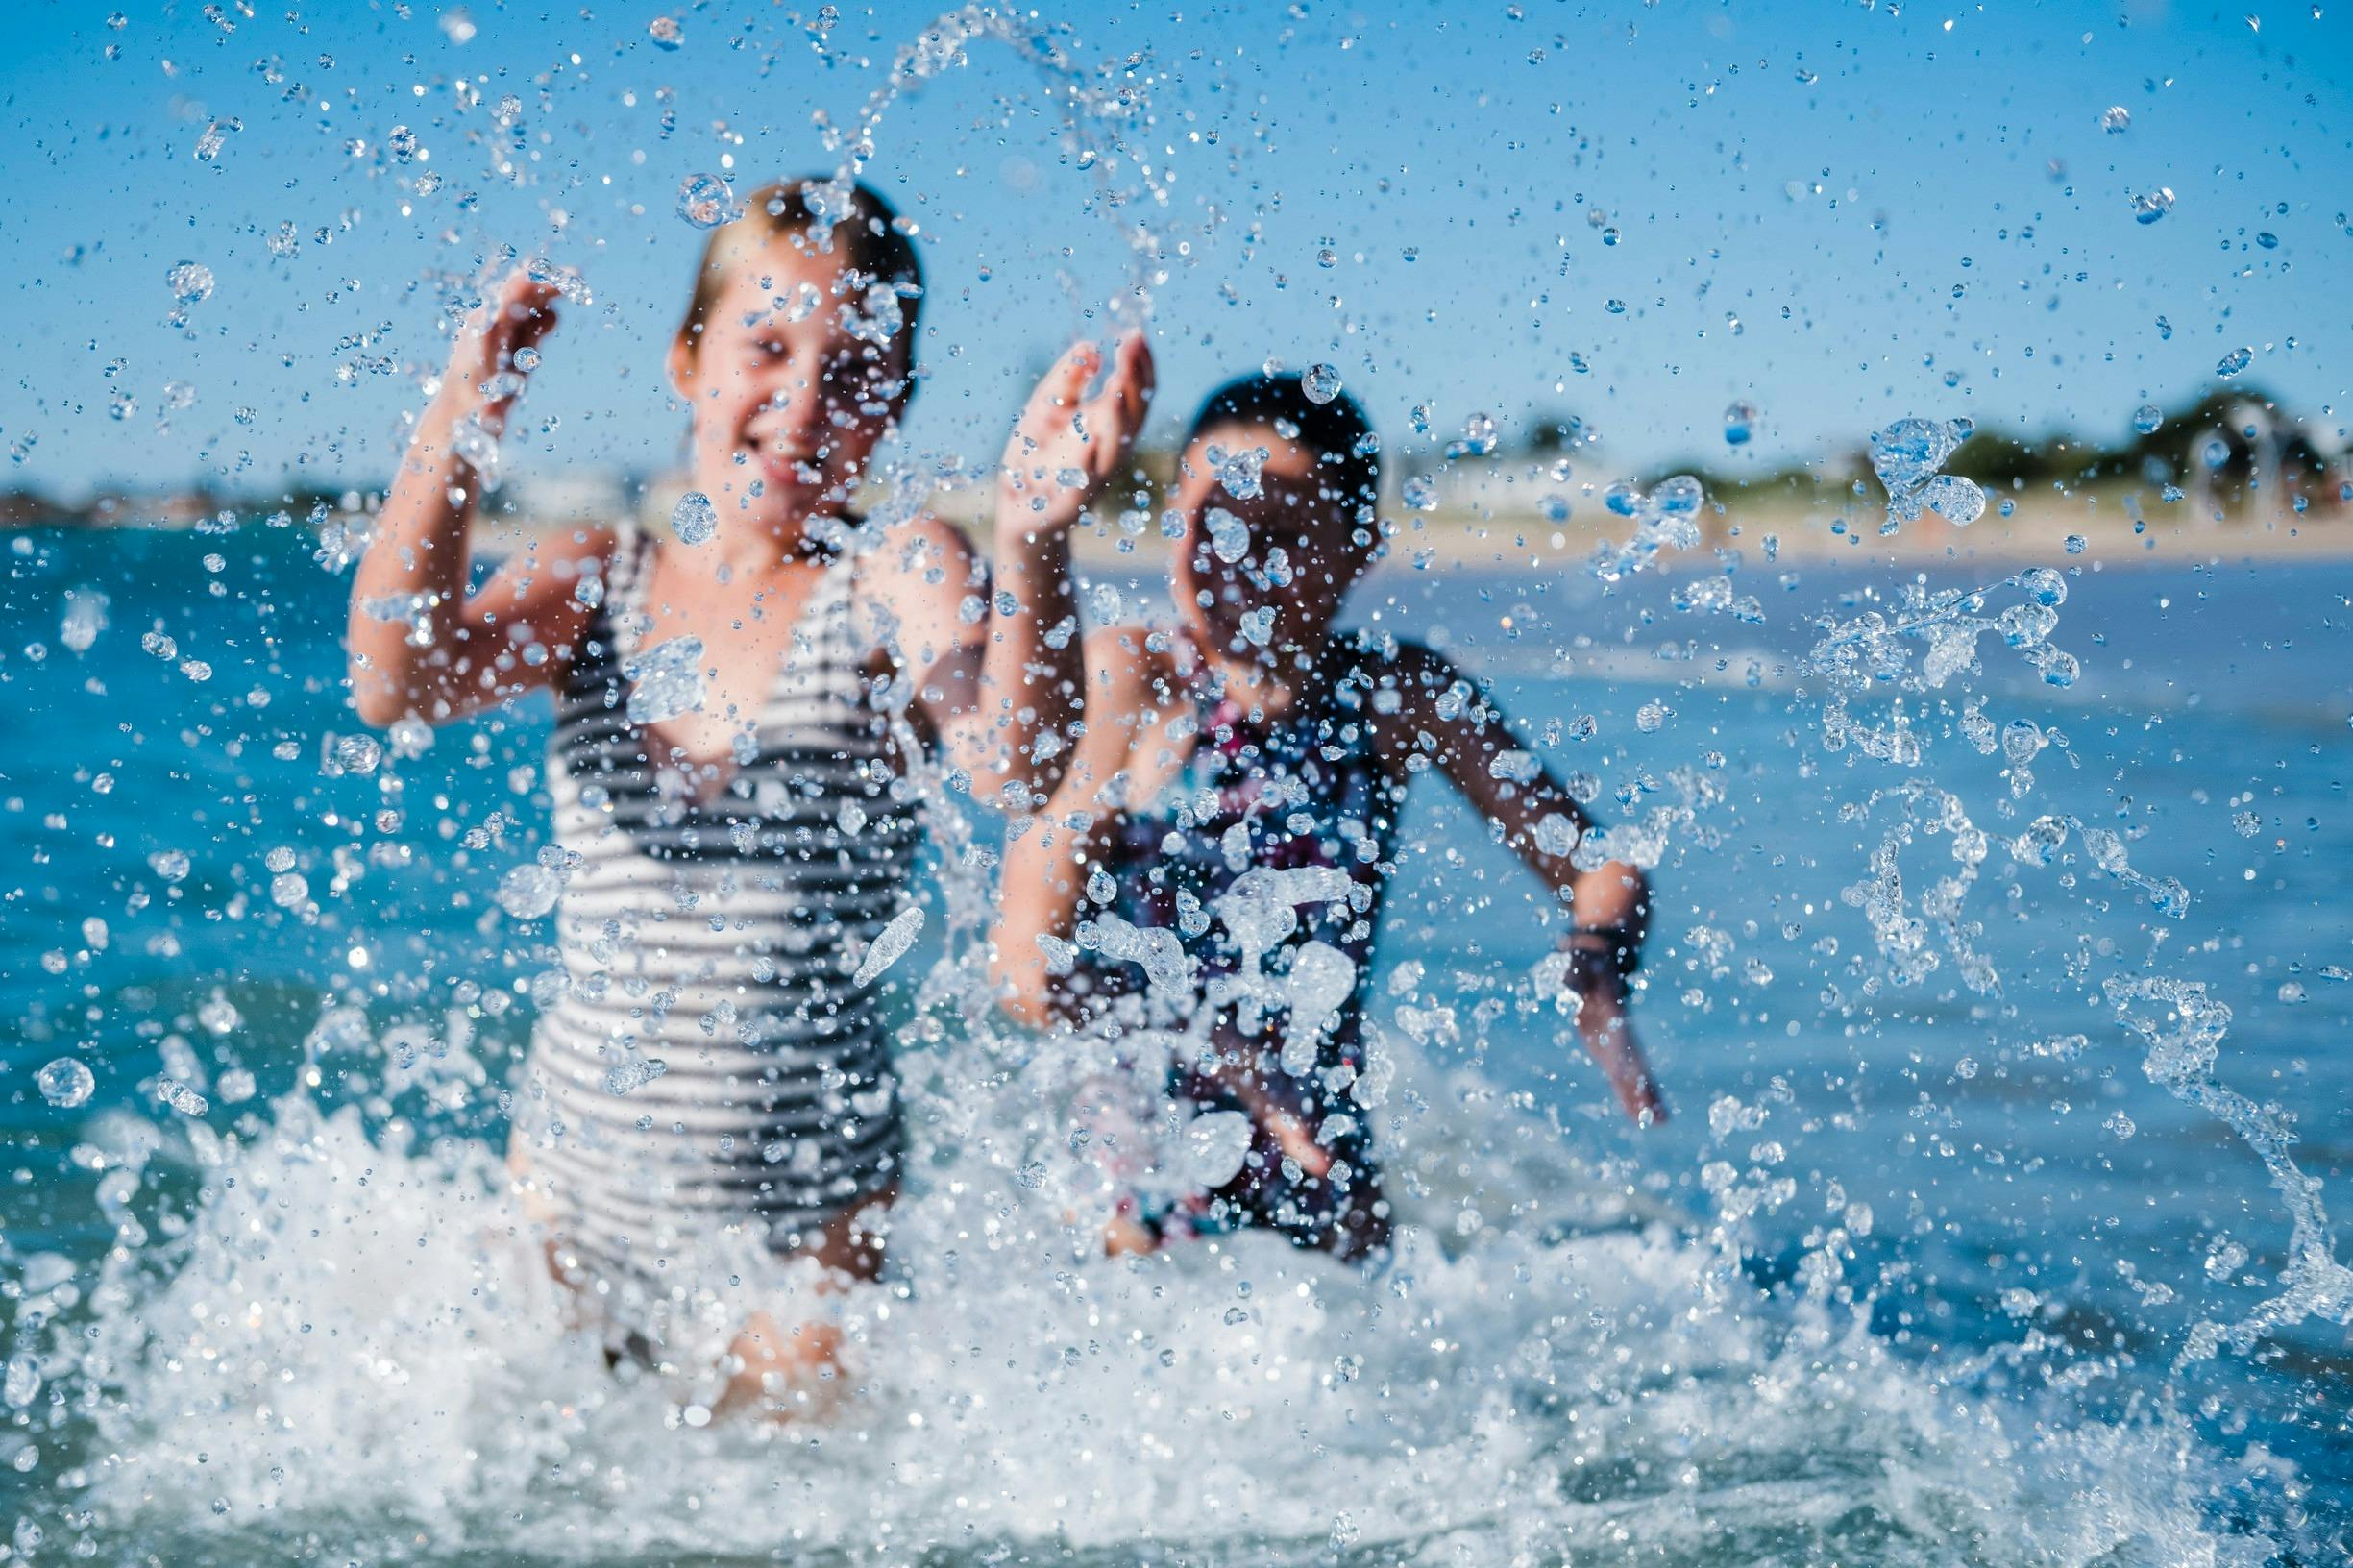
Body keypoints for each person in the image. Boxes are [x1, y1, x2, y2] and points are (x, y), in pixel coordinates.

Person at [346, 178, 1152, 1410]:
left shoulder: (893, 573)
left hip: (804, 1234)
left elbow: (1013, 766)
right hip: (569, 1195)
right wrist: (464, 415)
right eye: (766, 348)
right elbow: (393, 679)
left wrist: (1036, 540)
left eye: (854, 370)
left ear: (896, 410)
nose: (805, 402)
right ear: (686, 360)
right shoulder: (593, 580)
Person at [991, 373, 1660, 1263]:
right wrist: (1225, 1047)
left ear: (1359, 547)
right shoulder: (1131, 682)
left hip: (1317, 1156)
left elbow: (1596, 865)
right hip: (1136, 1172)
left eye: (1275, 534)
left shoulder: (1394, 694)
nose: (1232, 560)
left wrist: (1596, 964)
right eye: (1207, 524)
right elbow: (1026, 967)